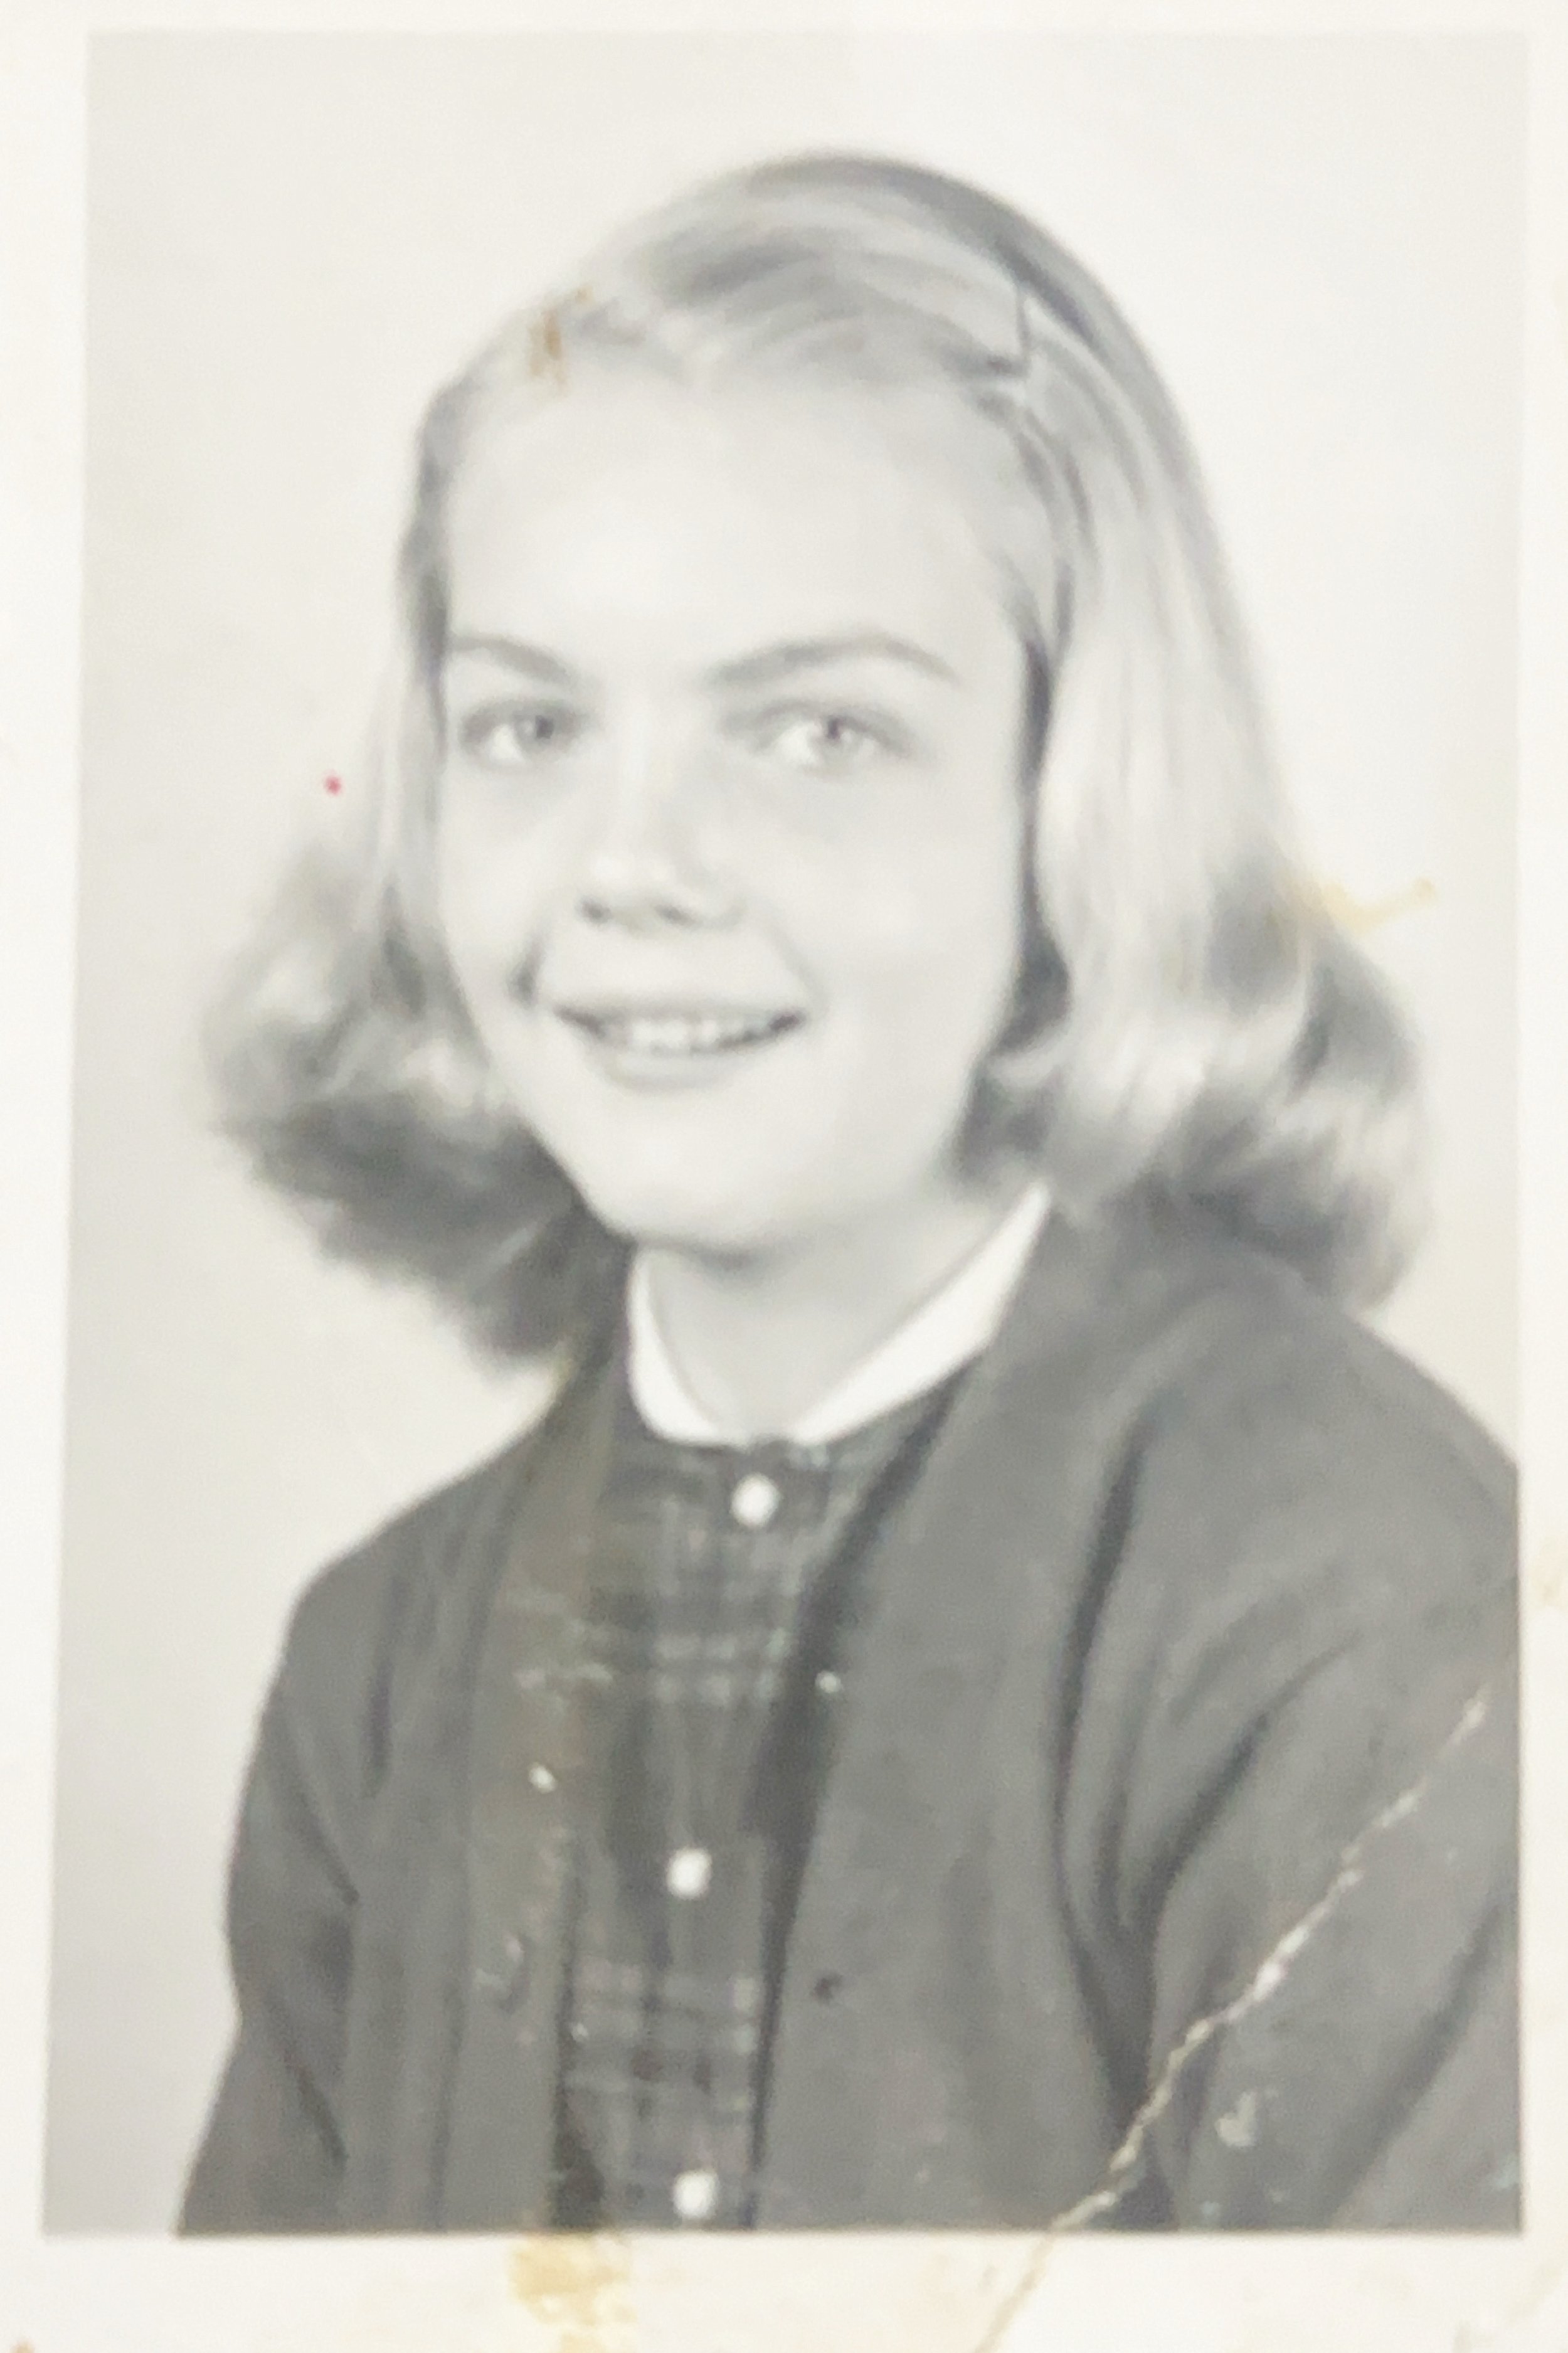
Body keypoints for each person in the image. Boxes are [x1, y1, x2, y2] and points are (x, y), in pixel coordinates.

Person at [178, 151, 1517, 2235]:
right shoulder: (382, 1660)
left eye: (813, 731)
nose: (634, 866)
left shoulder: (1347, 1600)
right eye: (529, 724)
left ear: (1078, 803)